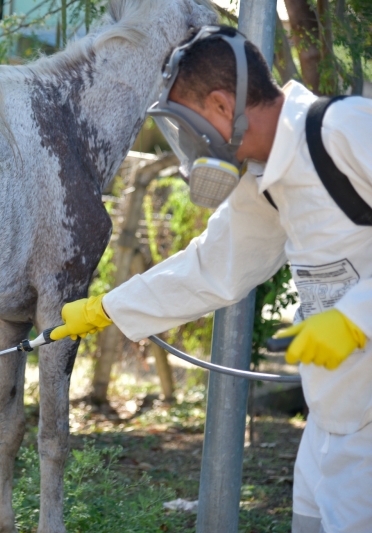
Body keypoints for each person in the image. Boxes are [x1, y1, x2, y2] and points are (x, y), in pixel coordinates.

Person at [50, 25, 372, 533]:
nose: (187, 144)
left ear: (223, 106)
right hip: (335, 424)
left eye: (187, 123)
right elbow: (210, 268)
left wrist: (355, 319)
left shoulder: (344, 129)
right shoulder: (267, 181)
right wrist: (108, 309)